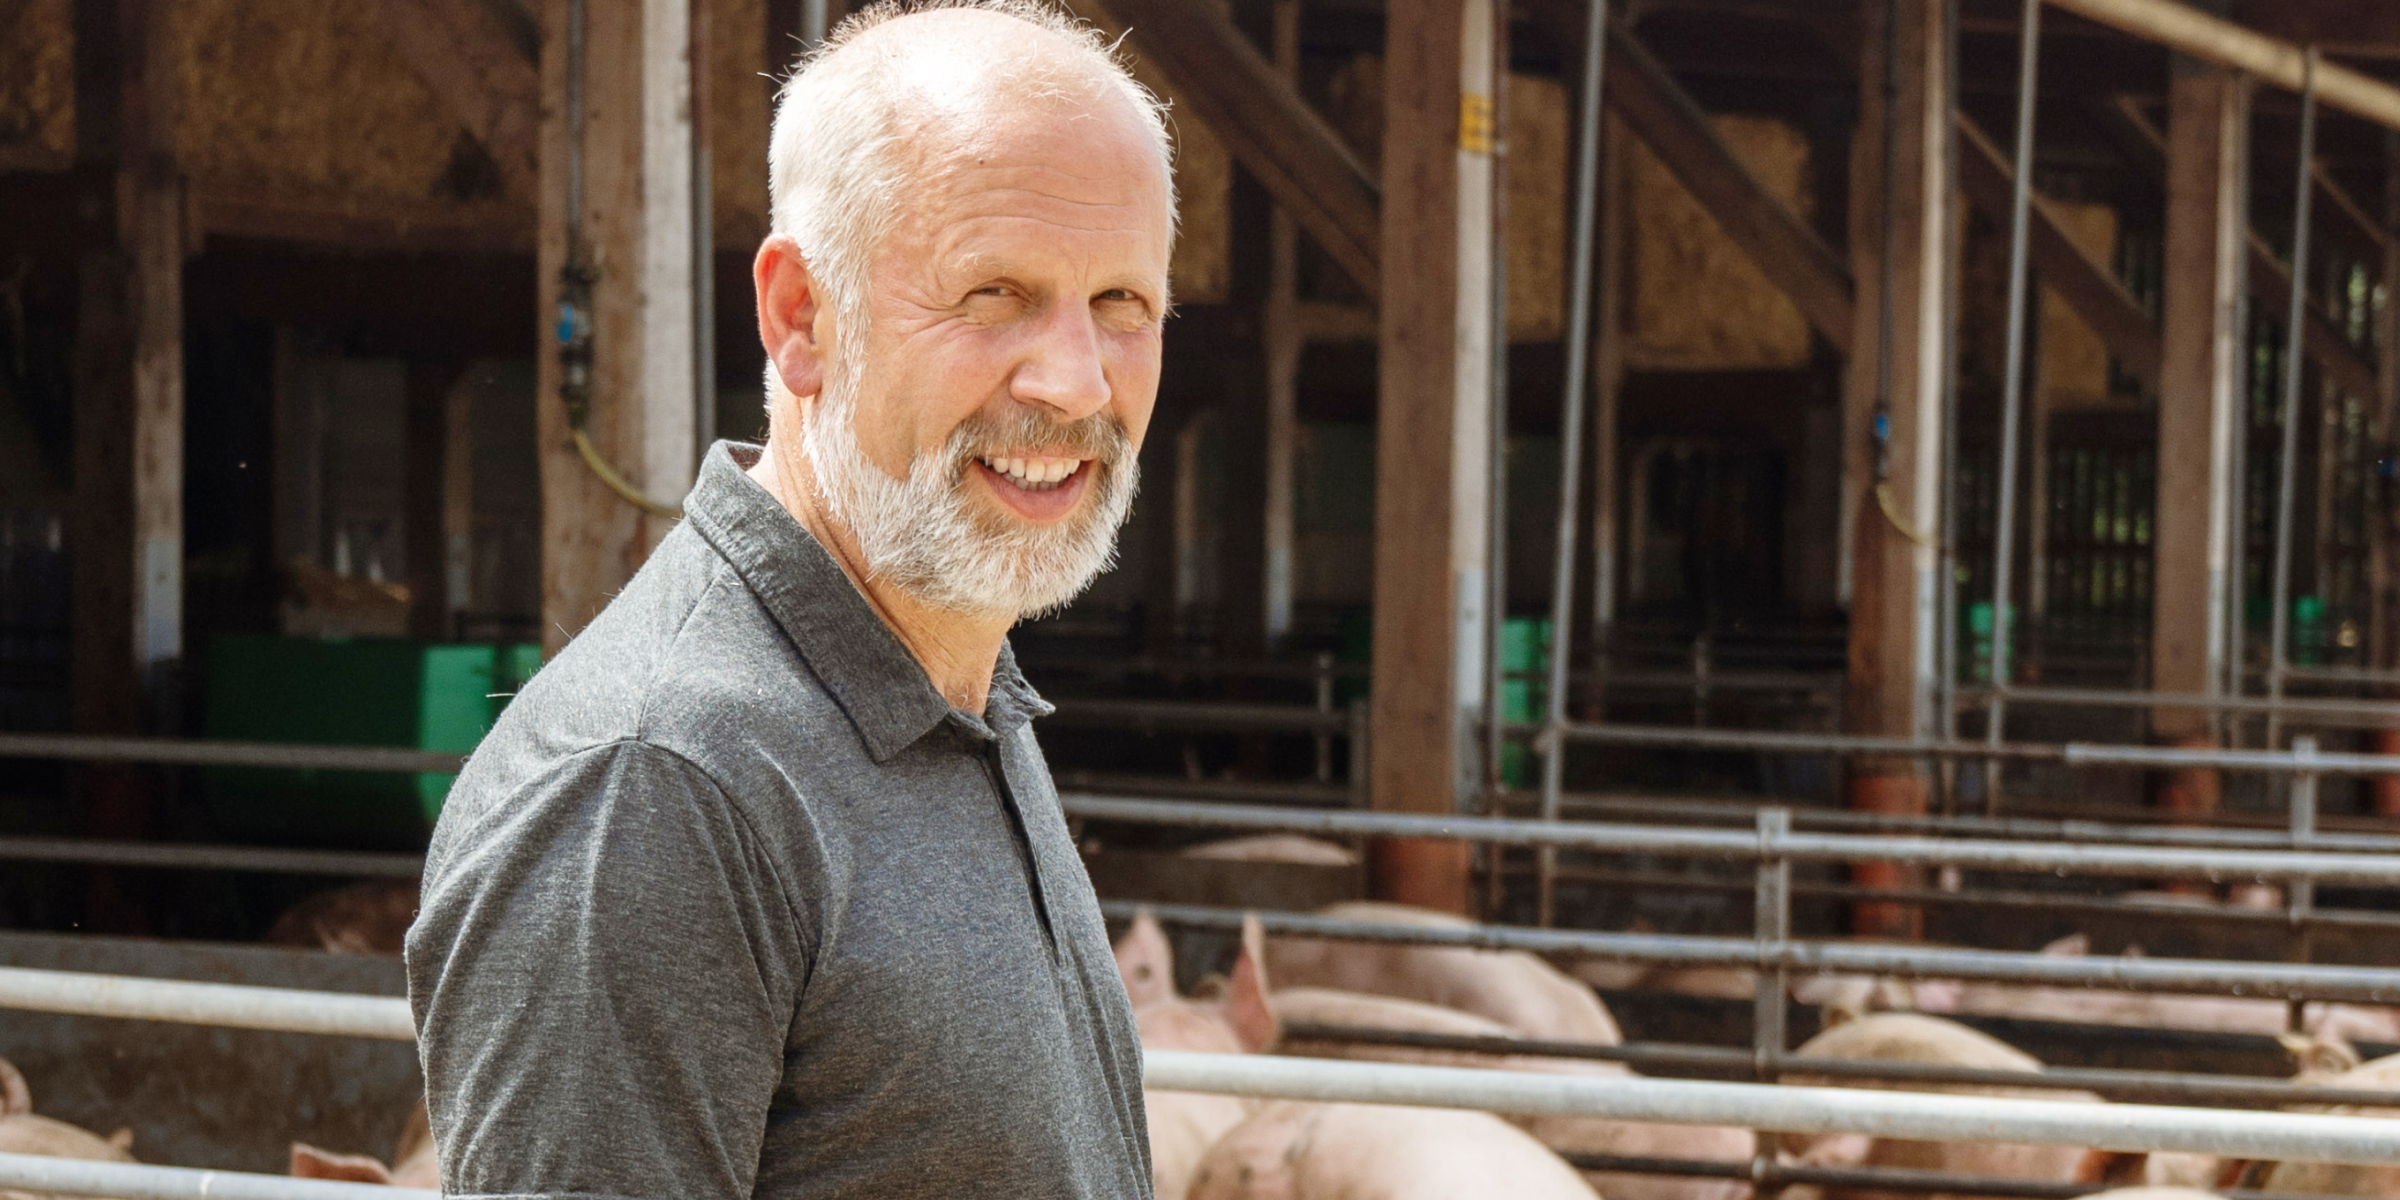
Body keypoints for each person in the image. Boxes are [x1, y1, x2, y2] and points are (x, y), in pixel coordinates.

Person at [403, 3, 1176, 1197]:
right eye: (993, 295)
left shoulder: (955, 687)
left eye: (1123, 303)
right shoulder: (656, 786)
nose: (1076, 381)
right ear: (800, 318)